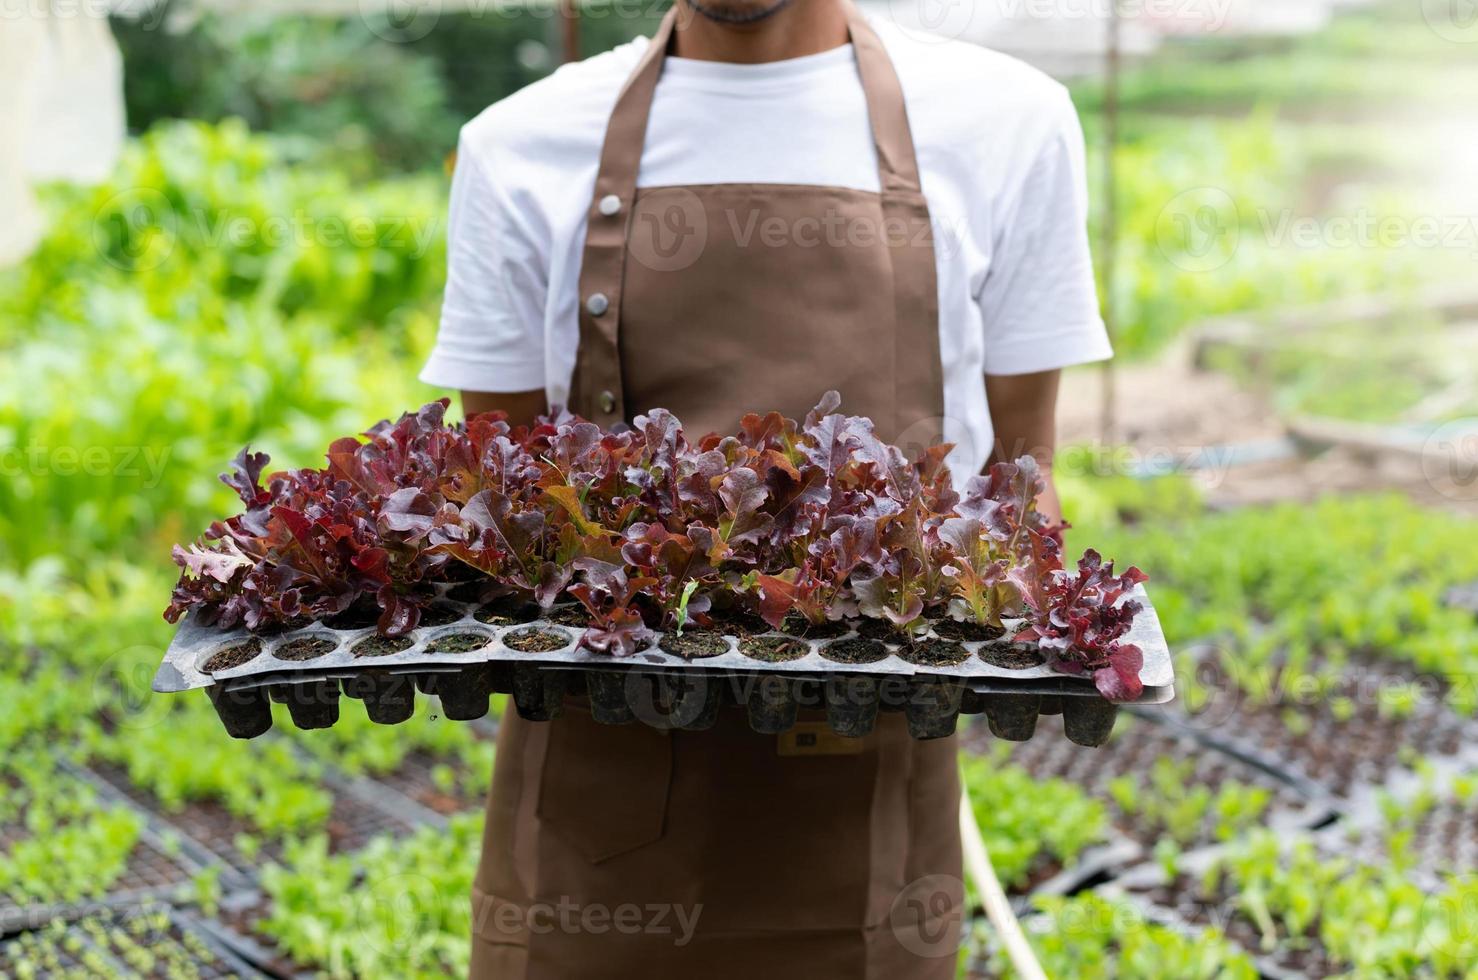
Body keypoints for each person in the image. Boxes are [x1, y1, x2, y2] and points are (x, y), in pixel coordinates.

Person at [419, 1, 1111, 976]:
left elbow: (1022, 479)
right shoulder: (519, 145)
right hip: (596, 817)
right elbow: (501, 511)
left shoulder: (1005, 121)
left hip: (872, 815)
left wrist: (1033, 619)